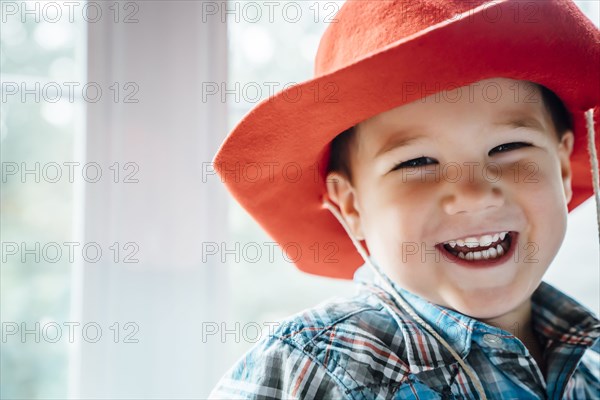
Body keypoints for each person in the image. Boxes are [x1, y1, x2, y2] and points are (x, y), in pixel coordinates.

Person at [209, 1, 600, 398]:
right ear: (351, 206)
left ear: (562, 170)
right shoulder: (312, 367)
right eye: (416, 161)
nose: (474, 195)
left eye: (508, 146)